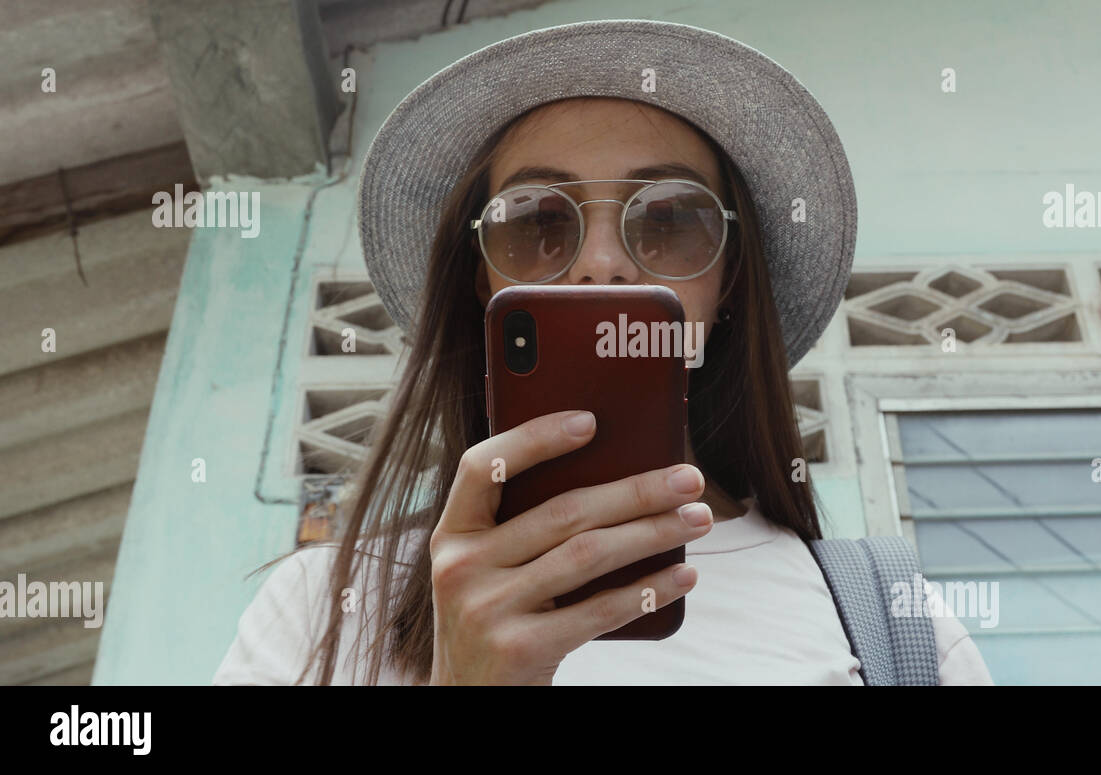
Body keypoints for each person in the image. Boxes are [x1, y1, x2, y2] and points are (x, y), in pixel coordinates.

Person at [213, 19, 993, 686]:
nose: (603, 263)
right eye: (537, 220)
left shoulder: (894, 620)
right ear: (482, 279)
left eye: (669, 217)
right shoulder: (323, 605)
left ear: (726, 282)